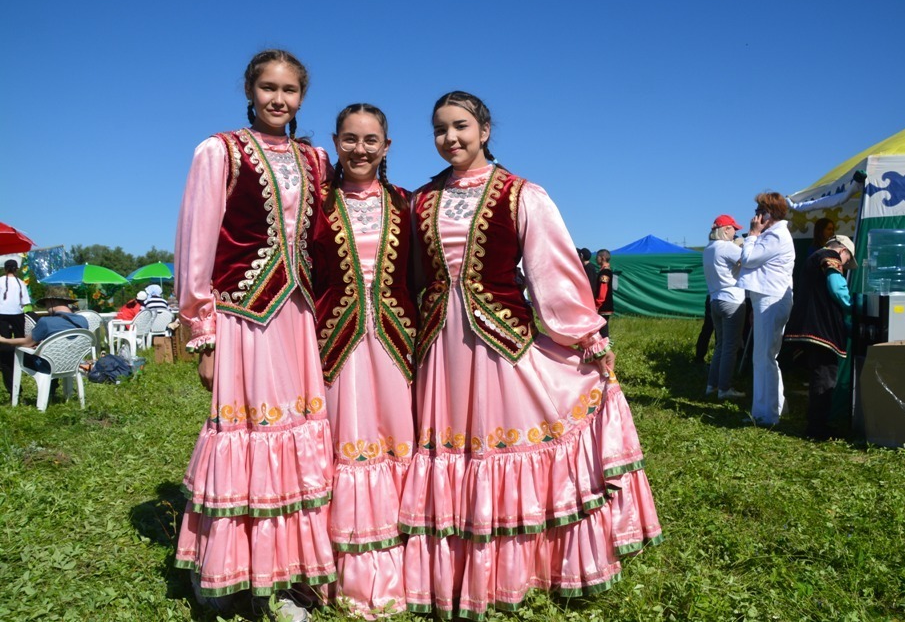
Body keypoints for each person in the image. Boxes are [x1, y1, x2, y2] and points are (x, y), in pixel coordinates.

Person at [399, 92, 662, 619]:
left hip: (500, 344)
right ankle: (453, 574)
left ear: (485, 130)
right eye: (440, 129)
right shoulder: (420, 200)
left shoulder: (521, 194)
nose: (450, 137)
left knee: (504, 445)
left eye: (461, 126)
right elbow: (412, 274)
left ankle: (521, 571)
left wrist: (586, 337)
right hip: (440, 349)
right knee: (455, 448)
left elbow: (553, 270)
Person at [172, 49, 335, 621]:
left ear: (302, 97)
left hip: (298, 317)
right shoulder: (219, 151)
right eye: (269, 87)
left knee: (294, 442)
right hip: (244, 316)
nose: (278, 99)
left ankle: (287, 577)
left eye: (289, 90)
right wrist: (204, 334)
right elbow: (196, 244)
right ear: (250, 90)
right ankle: (224, 569)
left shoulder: (316, 159)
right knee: (246, 439)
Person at [310, 103, 417, 617]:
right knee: (344, 442)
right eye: (350, 139)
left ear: (386, 146)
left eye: (371, 140)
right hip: (336, 342)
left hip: (398, 343)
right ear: (335, 142)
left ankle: (409, 571)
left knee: (399, 438)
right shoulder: (316, 204)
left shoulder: (407, 204)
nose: (360, 149)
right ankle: (343, 576)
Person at [784, 235, 857, 439]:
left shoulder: (814, 257)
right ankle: (817, 429)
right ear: (843, 251)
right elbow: (837, 287)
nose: (845, 266)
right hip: (821, 327)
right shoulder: (830, 256)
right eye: (847, 261)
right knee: (825, 376)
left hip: (809, 324)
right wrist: (853, 306)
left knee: (819, 374)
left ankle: (816, 423)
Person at [736, 192, 795, 426]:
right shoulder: (773, 234)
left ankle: (766, 415)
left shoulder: (776, 235)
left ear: (770, 213)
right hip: (767, 298)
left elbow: (749, 259)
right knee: (767, 357)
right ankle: (776, 408)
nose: (756, 216)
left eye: (760, 211)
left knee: (763, 358)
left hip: (771, 299)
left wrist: (752, 235)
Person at [702, 215, 746, 399]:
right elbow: (749, 260)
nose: (735, 232)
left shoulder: (708, 249)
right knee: (730, 346)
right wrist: (744, 245)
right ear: (726, 229)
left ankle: (712, 385)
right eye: (733, 228)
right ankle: (724, 388)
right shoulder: (727, 247)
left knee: (721, 345)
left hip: (715, 300)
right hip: (732, 300)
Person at [0, 286, 88, 375]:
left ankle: (13, 384)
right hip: (74, 364)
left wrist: (4, 340)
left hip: (48, 366)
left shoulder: (46, 322)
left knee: (8, 353)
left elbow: (26, 343)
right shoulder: (83, 320)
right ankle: (52, 383)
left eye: (46, 304)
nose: (46, 308)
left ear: (51, 301)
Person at [1, 259, 32, 396]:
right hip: (18, 315)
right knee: (21, 343)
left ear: (5, 269)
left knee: (4, 346)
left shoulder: (0, 280)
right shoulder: (21, 283)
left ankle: (9, 375)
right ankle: (22, 363)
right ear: (16, 269)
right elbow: (25, 302)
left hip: (1, 315)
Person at [595, 248, 614, 338]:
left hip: (603, 305)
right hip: (605, 304)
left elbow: (603, 289)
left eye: (597, 257)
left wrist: (598, 304)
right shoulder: (605, 270)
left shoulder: (605, 272)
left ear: (602, 258)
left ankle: (605, 345)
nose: (596, 259)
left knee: (603, 329)